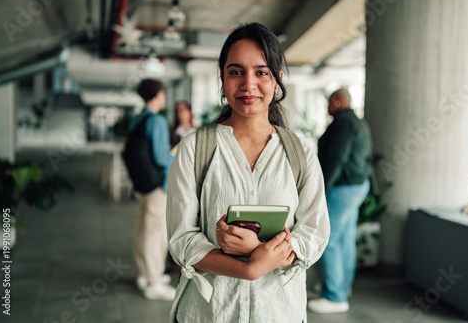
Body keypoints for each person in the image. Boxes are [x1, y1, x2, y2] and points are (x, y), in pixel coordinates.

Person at [166, 23, 330, 323]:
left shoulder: (301, 153)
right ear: (222, 78)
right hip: (209, 313)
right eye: (235, 71)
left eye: (261, 72)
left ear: (278, 80)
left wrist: (261, 251)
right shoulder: (194, 149)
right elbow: (182, 239)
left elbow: (314, 233)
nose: (248, 84)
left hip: (279, 313)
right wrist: (249, 268)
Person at [308, 88, 372, 314]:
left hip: (343, 188)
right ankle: (340, 288)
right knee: (344, 239)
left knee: (327, 239)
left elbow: (335, 159)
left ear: (338, 101)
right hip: (357, 186)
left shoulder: (343, 123)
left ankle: (334, 296)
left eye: (329, 102)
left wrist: (320, 192)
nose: (327, 107)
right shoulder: (358, 122)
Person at [128, 79, 176, 301]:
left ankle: (144, 274)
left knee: (143, 229)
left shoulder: (139, 119)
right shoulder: (156, 121)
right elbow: (161, 157)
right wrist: (176, 156)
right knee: (156, 234)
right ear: (157, 94)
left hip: (144, 183)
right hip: (158, 184)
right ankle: (153, 281)